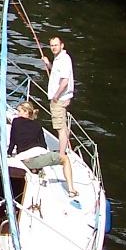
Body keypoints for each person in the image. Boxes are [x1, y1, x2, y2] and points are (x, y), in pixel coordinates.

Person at [40, 35, 78, 198]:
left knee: (60, 127)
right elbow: (57, 75)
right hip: (61, 98)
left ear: (62, 45)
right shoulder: (60, 59)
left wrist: (56, 96)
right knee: (62, 126)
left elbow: (64, 80)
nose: (54, 47)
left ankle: (62, 154)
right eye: (51, 45)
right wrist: (48, 63)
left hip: (59, 99)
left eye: (56, 45)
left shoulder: (63, 59)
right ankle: (64, 150)